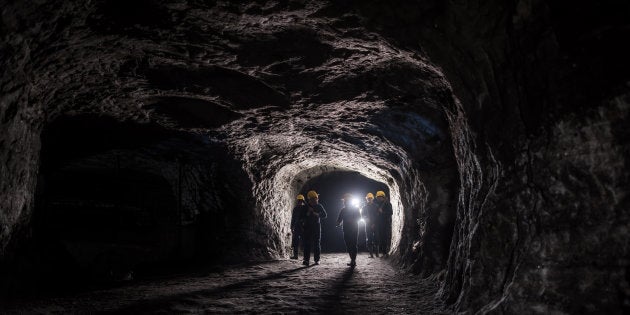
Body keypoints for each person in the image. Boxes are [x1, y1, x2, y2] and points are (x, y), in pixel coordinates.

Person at [301, 190, 327, 266]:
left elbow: (325, 215)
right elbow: (302, 217)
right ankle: (306, 260)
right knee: (307, 244)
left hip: (316, 226)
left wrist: (317, 214)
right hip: (307, 227)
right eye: (314, 198)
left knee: (316, 243)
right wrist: (308, 213)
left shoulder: (319, 206)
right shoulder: (305, 207)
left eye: (316, 198)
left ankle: (317, 260)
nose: (316, 200)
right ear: (310, 199)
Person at [337, 193, 361, 267]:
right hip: (346, 229)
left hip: (354, 229)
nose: (345, 202)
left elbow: (359, 218)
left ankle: (353, 260)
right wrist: (338, 223)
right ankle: (352, 260)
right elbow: (339, 219)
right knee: (348, 245)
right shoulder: (343, 210)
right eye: (345, 201)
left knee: (353, 244)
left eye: (346, 200)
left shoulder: (356, 209)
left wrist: (352, 220)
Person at [375, 191, 393, 257]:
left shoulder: (388, 204)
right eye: (378, 197)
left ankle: (386, 252)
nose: (379, 198)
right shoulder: (378, 205)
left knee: (385, 237)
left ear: (383, 197)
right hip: (380, 224)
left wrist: (382, 212)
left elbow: (390, 213)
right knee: (381, 238)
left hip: (386, 223)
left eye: (380, 197)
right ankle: (383, 252)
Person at [363, 192, 379, 258]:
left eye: (370, 198)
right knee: (369, 239)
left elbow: (378, 216)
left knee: (376, 238)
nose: (369, 199)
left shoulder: (376, 206)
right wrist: (365, 218)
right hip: (368, 225)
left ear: (372, 199)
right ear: (366, 199)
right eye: (368, 198)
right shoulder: (364, 207)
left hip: (375, 225)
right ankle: (371, 254)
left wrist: (374, 223)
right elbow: (363, 215)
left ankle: (377, 254)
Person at [290, 194, 306, 259]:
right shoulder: (295, 208)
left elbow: (306, 217)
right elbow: (293, 218)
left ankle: (305, 256)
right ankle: (295, 255)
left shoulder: (305, 208)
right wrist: (291, 226)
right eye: (299, 200)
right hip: (297, 226)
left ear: (302, 201)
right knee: (295, 241)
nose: (299, 201)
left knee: (304, 241)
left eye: (301, 200)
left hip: (303, 226)